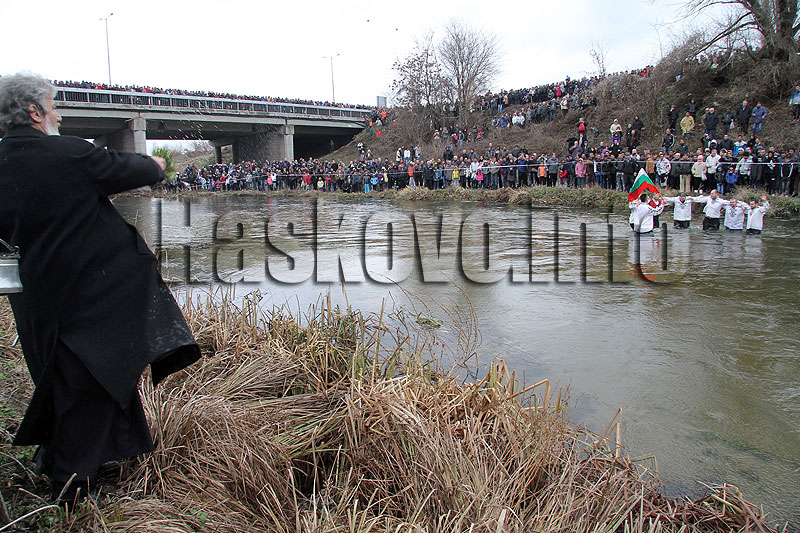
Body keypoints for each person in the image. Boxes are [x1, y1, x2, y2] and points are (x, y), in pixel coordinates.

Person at [0, 73, 201, 502]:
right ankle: (70, 484)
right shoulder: (67, 153)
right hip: (90, 295)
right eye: (53, 104)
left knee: (60, 376)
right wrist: (158, 165)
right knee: (87, 378)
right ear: (34, 112)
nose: (58, 112)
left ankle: (93, 460)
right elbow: (128, 169)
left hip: (35, 295)